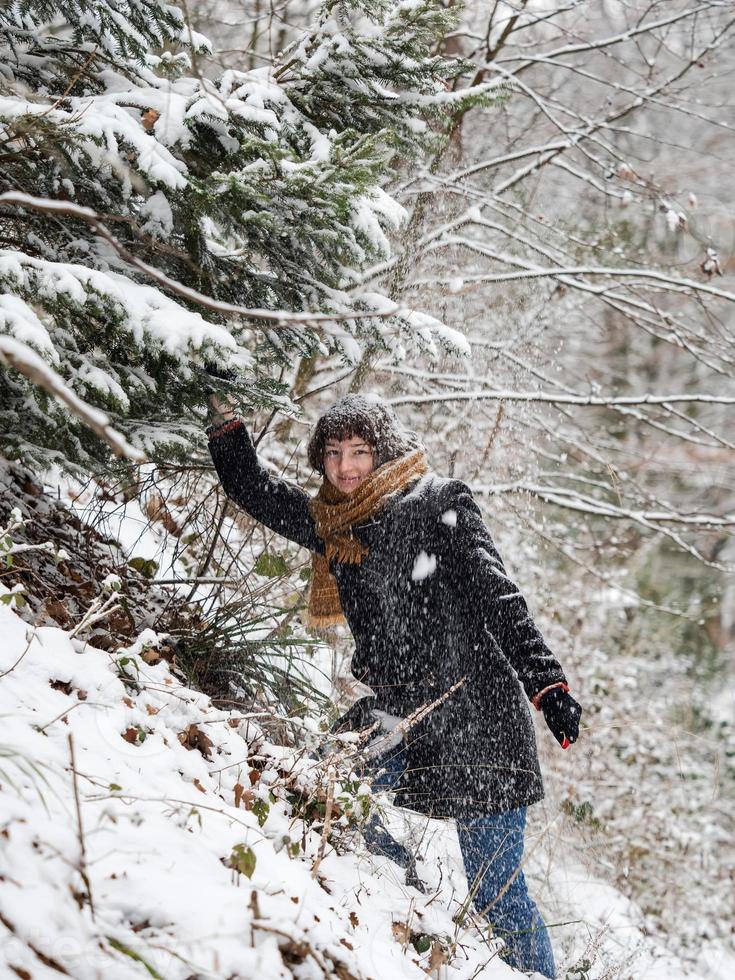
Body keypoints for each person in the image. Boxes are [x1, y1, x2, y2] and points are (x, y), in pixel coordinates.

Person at [207, 392, 582, 979]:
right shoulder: (335, 523)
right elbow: (255, 490)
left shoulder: (438, 503)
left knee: (497, 896)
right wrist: (226, 422)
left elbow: (497, 597)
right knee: (325, 790)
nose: (346, 467)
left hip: (476, 717)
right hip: (397, 711)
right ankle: (396, 891)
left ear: (383, 453)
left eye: (360, 452)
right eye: (333, 454)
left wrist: (548, 686)